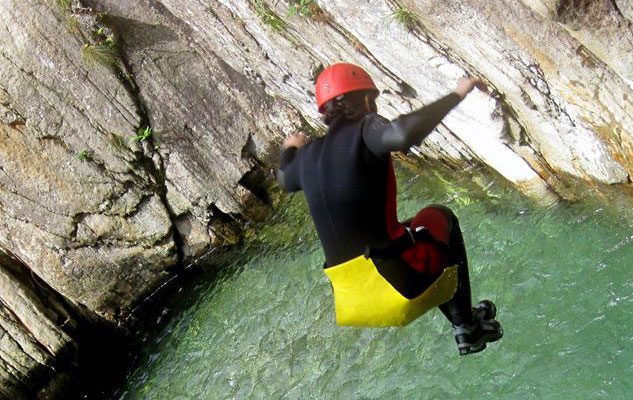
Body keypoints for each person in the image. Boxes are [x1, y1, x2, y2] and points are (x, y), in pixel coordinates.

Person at [277, 63, 502, 355]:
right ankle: (467, 328)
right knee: (439, 217)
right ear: (367, 100)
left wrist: (290, 148)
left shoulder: (307, 156)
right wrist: (458, 93)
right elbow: (401, 135)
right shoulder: (366, 128)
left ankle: (463, 320)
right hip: (397, 283)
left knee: (411, 229)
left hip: (352, 300)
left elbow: (284, 179)